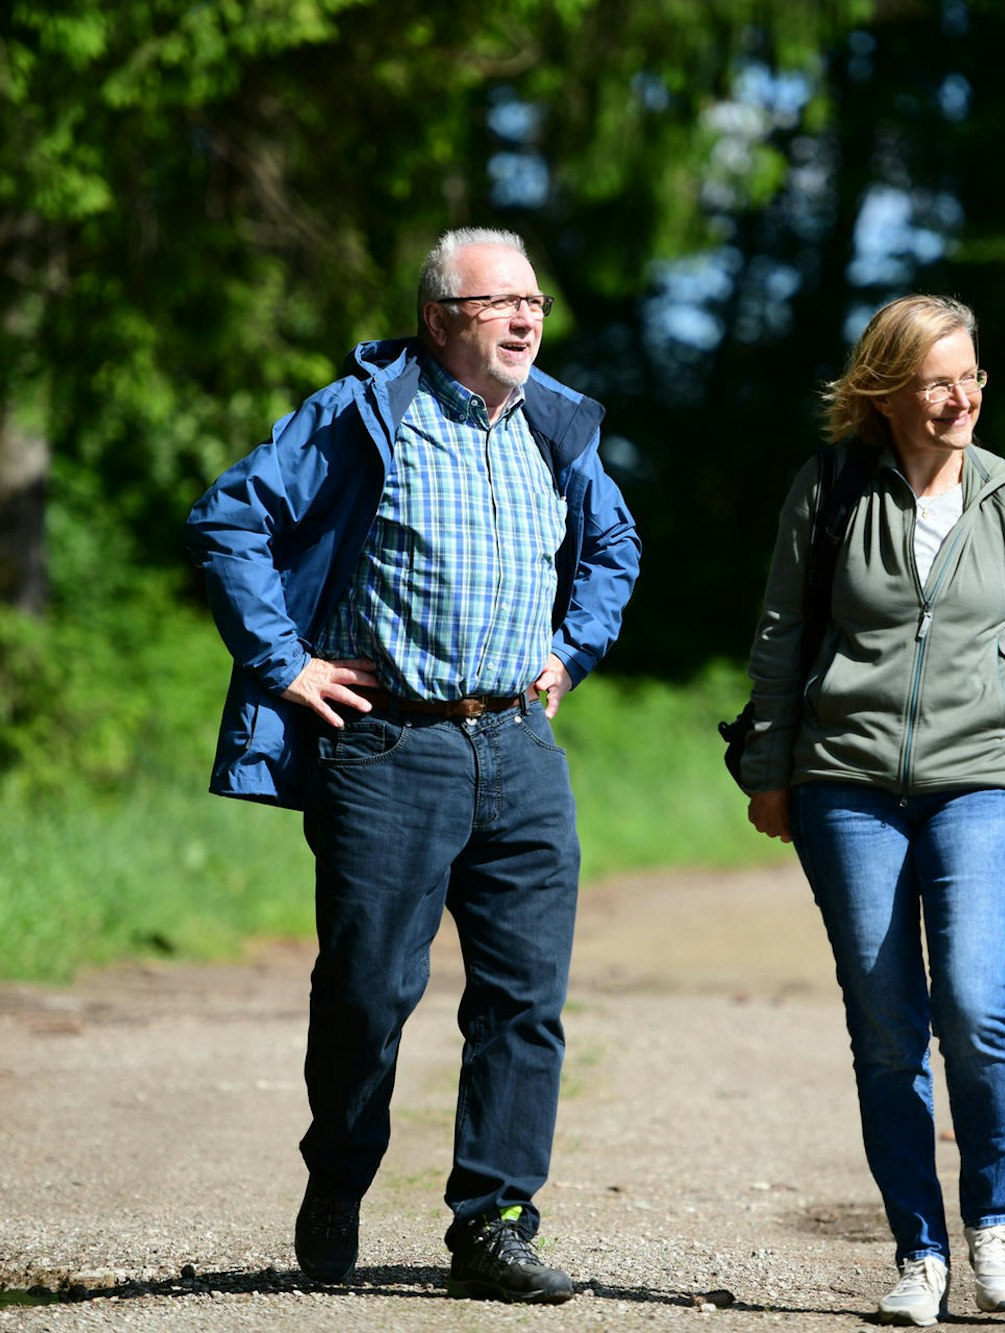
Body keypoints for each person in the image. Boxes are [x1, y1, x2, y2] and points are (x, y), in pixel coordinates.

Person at [184, 227, 640, 1305]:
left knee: (523, 1000)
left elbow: (615, 546)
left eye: (532, 300)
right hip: (384, 749)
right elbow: (228, 518)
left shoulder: (557, 426)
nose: (525, 318)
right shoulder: (361, 413)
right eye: (499, 304)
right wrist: (283, 664)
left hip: (519, 749)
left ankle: (493, 1222)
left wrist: (571, 647)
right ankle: (336, 1178)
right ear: (441, 320)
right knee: (366, 993)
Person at [735, 294, 1005, 1326]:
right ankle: (917, 1252)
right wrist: (769, 771)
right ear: (887, 391)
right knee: (883, 1027)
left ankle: (992, 1220)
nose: (960, 399)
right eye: (938, 381)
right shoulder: (826, 492)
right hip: (845, 785)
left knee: (971, 1001)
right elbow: (779, 640)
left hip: (979, 779)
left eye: (972, 378)